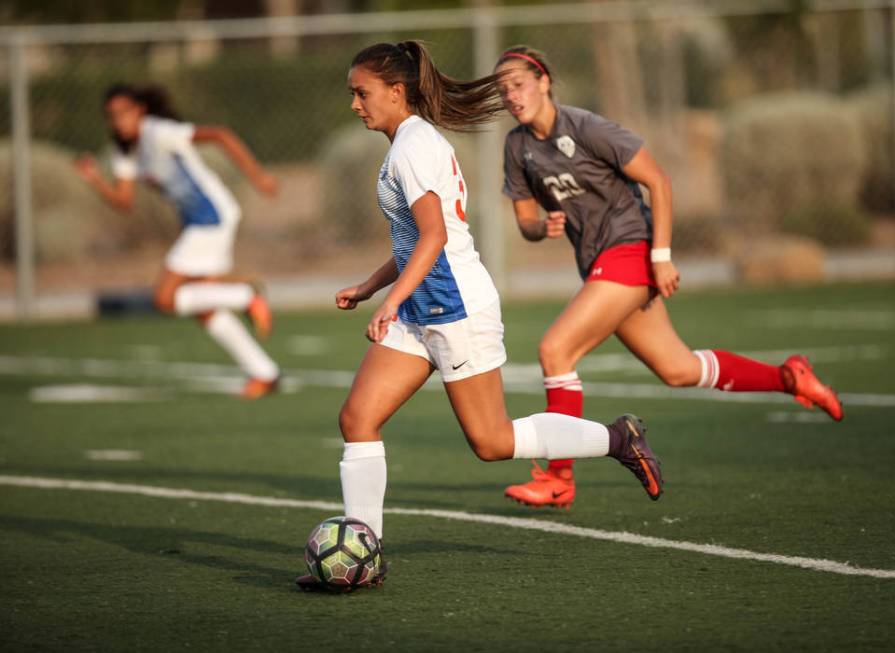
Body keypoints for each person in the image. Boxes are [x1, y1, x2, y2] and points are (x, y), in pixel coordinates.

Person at [296, 41, 664, 591]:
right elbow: (413, 239)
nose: (355, 104)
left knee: (491, 442)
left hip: (454, 306)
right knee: (358, 420)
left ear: (397, 92)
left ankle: (617, 438)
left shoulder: (412, 147)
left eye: (361, 93)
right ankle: (363, 560)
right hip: (422, 306)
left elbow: (436, 236)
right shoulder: (404, 144)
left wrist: (392, 300)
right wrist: (374, 287)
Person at [494, 46, 843, 509]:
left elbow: (658, 180)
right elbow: (525, 221)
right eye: (503, 90)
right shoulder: (517, 147)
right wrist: (543, 227)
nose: (511, 95)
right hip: (600, 264)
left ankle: (560, 477)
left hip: (631, 250)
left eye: (519, 83)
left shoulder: (587, 128)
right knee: (679, 369)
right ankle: (789, 377)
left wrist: (660, 255)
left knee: (555, 349)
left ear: (544, 81)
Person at [74, 84, 281, 399]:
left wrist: (259, 177)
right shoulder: (126, 151)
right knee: (205, 307)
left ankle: (245, 295)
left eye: (125, 113)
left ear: (140, 110)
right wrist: (94, 179)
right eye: (112, 116)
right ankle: (264, 373)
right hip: (197, 223)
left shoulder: (159, 132)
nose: (119, 121)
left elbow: (221, 135)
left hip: (212, 216)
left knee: (164, 299)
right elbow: (124, 201)